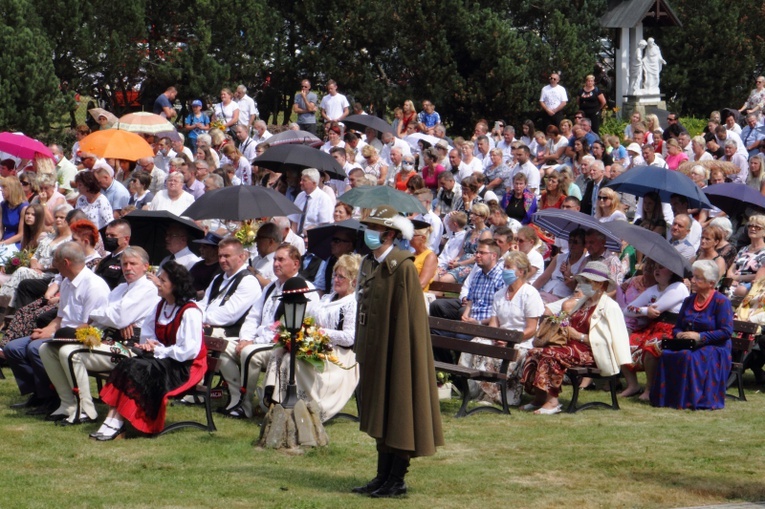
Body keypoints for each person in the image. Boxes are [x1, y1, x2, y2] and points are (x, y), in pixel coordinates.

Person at [353, 205, 443, 498]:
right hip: (374, 348)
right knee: (380, 410)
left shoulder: (402, 265)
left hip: (398, 348)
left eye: (373, 228)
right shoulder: (370, 263)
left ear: (389, 234)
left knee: (399, 407)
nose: (368, 234)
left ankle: (396, 478)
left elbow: (409, 318)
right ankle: (381, 475)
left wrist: (400, 352)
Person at [39, 247, 160, 425]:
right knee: (47, 348)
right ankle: (68, 404)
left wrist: (112, 316)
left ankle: (86, 409)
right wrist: (112, 316)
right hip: (109, 341)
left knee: (70, 353)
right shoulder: (120, 289)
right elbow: (104, 314)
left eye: (133, 264)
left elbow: (117, 317)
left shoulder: (147, 289)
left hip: (131, 349)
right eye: (124, 264)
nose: (127, 268)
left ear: (145, 267)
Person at [90, 261, 205, 440]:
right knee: (127, 364)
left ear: (176, 285)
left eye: (163, 281)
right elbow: (148, 333)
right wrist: (149, 344)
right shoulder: (161, 305)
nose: (157, 283)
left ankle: (116, 423)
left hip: (185, 367)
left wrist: (160, 350)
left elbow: (188, 351)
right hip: (165, 359)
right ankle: (112, 420)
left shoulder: (190, 312)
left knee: (138, 369)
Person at [5, 242, 111, 415]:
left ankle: (53, 396)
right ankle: (39, 394)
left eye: (55, 261)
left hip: (80, 337)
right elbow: (61, 317)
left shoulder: (94, 286)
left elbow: (88, 325)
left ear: (66, 262)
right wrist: (46, 330)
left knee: (35, 349)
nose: (53, 265)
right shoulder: (68, 283)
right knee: (13, 348)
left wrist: (52, 334)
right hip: (61, 333)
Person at [520, 261, 631, 414]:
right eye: (582, 280)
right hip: (572, 348)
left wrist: (580, 336)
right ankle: (539, 398)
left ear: (599, 285)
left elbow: (613, 339)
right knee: (534, 352)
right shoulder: (583, 303)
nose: (582, 285)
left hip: (592, 353)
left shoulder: (610, 307)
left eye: (587, 281)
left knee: (551, 355)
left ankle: (552, 402)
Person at [263, 253, 360, 422]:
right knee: (280, 352)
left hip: (340, 355)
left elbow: (350, 337)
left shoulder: (352, 303)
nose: (336, 280)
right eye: (335, 275)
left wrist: (320, 333)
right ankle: (272, 399)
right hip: (319, 345)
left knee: (292, 361)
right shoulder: (327, 298)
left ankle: (295, 406)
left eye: (341, 277)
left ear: (353, 280)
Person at [459, 251, 544, 406]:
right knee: (476, 344)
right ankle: (471, 391)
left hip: (521, 342)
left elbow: (532, 328)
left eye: (509, 267)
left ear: (521, 271)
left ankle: (496, 396)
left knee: (502, 354)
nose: (504, 270)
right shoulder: (499, 294)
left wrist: (510, 340)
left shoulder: (530, 294)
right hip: (500, 338)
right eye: (504, 266)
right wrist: (496, 337)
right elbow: (494, 323)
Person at [651, 260, 733, 410]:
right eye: (693, 277)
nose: (692, 281)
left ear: (711, 282)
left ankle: (689, 400)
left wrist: (700, 337)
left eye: (697, 278)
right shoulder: (689, 301)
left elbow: (726, 331)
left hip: (715, 347)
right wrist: (680, 334)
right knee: (667, 354)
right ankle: (668, 399)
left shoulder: (721, 302)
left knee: (690, 357)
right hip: (689, 343)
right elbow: (677, 327)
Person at [620, 263, 689, 399]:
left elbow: (658, 308)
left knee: (651, 347)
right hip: (654, 327)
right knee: (622, 343)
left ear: (672, 272)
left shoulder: (678, 287)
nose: (656, 270)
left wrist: (643, 310)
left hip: (672, 330)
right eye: (656, 267)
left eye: (662, 267)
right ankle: (632, 385)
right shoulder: (653, 289)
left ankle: (650, 389)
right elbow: (627, 309)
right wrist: (645, 310)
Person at [436, 203, 492, 284]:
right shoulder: (469, 232)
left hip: (473, 265)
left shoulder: (486, 234)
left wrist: (459, 263)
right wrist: (455, 260)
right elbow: (462, 252)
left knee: (444, 279)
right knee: (436, 274)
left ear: (483, 217)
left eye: (475, 214)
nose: (471, 216)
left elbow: (479, 256)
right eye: (471, 213)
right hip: (461, 262)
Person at [535, 228, 587, 303]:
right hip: (545, 291)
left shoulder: (584, 263)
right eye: (570, 241)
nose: (572, 245)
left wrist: (568, 276)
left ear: (583, 245)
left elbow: (576, 289)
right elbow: (543, 278)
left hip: (561, 298)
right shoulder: (559, 257)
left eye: (576, 242)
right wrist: (531, 290)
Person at [0, 176, 29, 250]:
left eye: (4, 188)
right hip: (4, 240)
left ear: (12, 189)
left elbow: (21, 234)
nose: (1, 190)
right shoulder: (3, 205)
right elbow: (1, 229)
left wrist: (3, 243)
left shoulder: (23, 207)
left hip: (17, 243)